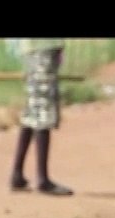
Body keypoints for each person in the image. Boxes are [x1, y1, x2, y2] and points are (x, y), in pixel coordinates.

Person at [9, 38, 73, 196]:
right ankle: (42, 179)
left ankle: (18, 174)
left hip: (38, 48)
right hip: (42, 47)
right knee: (43, 109)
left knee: (33, 109)